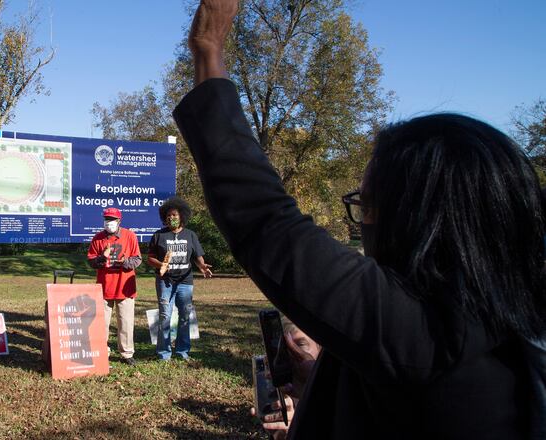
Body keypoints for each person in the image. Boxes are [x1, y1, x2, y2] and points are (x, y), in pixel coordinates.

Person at [175, 1, 546, 439]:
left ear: (422, 223)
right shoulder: (509, 329)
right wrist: (324, 384)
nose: (363, 225)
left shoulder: (431, 333)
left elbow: (265, 221)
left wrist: (207, 48)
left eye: (369, 207)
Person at [147, 196, 212, 360]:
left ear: (182, 216)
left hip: (185, 282)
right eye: (168, 216)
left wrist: (202, 266)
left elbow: (198, 256)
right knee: (165, 316)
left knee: (184, 316)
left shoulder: (190, 235)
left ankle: (183, 351)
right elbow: (150, 258)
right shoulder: (159, 235)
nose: (171, 218)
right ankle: (164, 353)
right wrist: (161, 264)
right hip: (165, 282)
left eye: (174, 215)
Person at [87, 207, 142, 366]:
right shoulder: (98, 238)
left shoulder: (130, 236)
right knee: (101, 324)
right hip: (104, 288)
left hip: (125, 287)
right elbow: (91, 262)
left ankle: (127, 354)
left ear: (119, 221)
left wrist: (124, 262)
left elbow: (137, 260)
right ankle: (102, 352)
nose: (109, 222)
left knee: (125, 322)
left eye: (112, 219)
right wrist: (101, 259)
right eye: (106, 219)